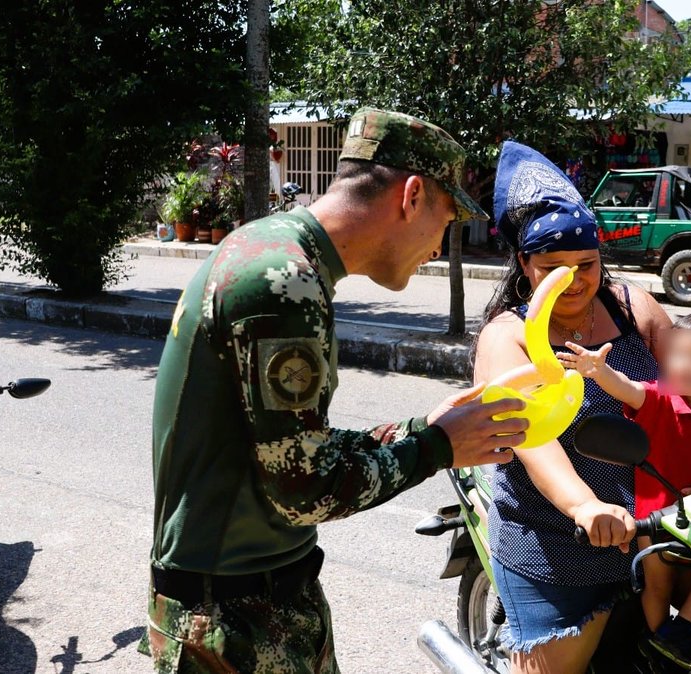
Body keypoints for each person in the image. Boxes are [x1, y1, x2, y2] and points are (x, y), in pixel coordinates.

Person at [143, 108, 530, 674]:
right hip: (234, 619)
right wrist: (436, 449)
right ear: (412, 195)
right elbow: (304, 489)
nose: (441, 244)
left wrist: (423, 429)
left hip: (249, 600)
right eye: (446, 222)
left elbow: (297, 448)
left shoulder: (275, 252)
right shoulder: (283, 281)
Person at [475, 140, 672, 674]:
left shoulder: (634, 308)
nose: (576, 280)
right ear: (524, 263)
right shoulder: (508, 337)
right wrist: (585, 507)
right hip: (554, 538)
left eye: (586, 263)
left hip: (654, 529)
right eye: (554, 267)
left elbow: (688, 393)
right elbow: (531, 438)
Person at [558, 310, 691, 666]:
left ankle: (676, 636)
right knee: (658, 584)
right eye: (678, 355)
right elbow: (627, 388)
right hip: (656, 519)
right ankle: (656, 647)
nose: (686, 365)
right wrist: (597, 371)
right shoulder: (661, 401)